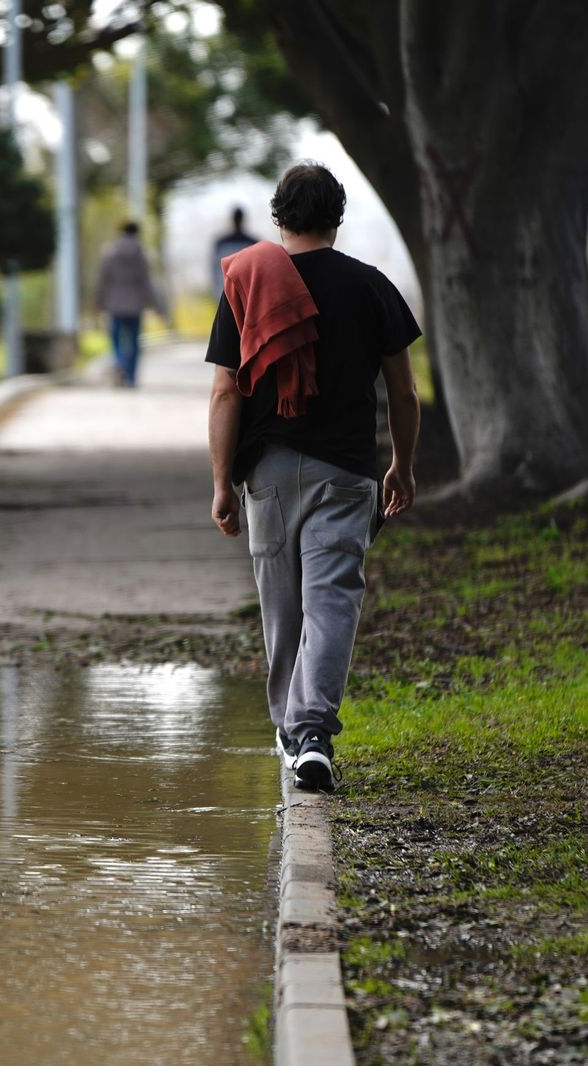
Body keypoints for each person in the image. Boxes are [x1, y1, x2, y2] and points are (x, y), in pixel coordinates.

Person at [205, 162, 422, 792]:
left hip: (268, 472)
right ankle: (311, 735)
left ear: (278, 217)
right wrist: (401, 465)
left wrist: (222, 483)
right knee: (332, 600)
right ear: (338, 218)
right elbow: (403, 392)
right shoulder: (372, 286)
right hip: (348, 471)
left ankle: (293, 733)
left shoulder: (245, 284)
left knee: (282, 607)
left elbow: (225, 394)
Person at [95, 221, 165, 387]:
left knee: (116, 339)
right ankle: (131, 377)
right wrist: (157, 306)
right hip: (135, 304)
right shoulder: (141, 255)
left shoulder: (110, 253)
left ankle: (119, 362)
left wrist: (98, 302)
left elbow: (103, 280)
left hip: (114, 303)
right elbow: (147, 283)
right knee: (134, 342)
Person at [210, 206, 258, 301]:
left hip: (224, 292)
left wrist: (215, 290)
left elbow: (215, 269)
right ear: (242, 219)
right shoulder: (253, 242)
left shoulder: (221, 243)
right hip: (247, 293)